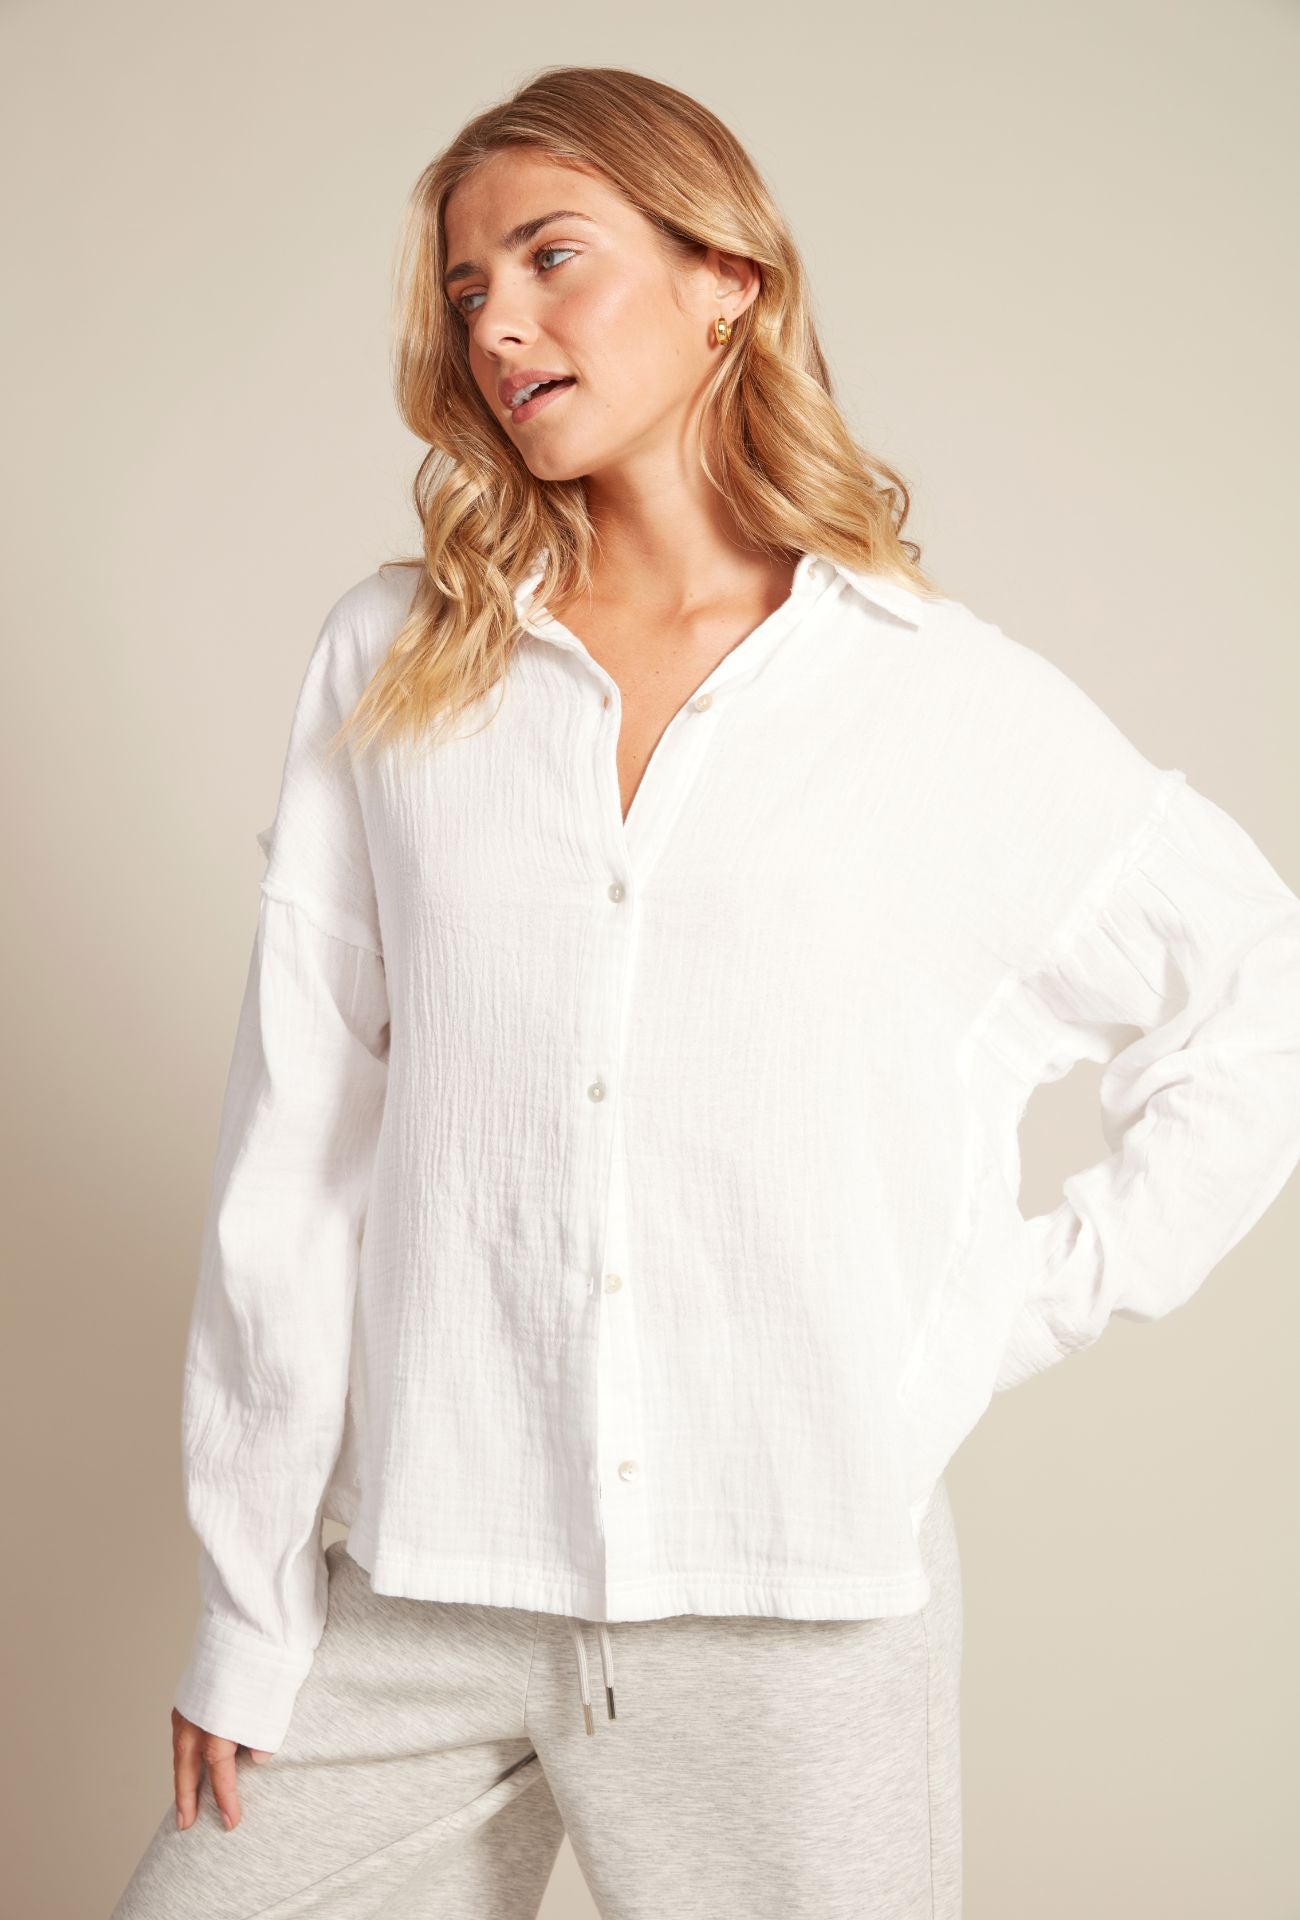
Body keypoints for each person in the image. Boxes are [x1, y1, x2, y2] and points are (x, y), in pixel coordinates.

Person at [110, 63, 1300, 1920]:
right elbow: (301, 1140)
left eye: (551, 257)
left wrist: (989, 1310)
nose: (496, 322)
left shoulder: (932, 698)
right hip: (423, 1582)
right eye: (465, 289)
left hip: (791, 1611)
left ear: (725, 277)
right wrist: (251, 1604)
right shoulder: (396, 661)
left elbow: (1255, 987)